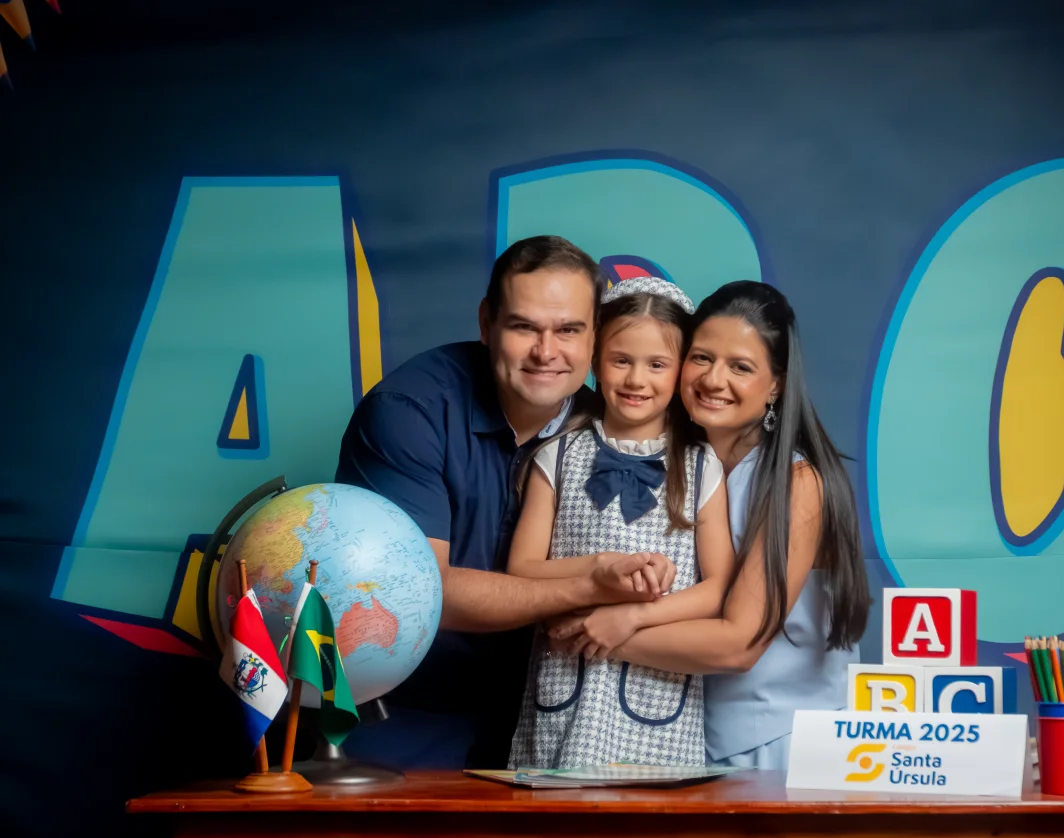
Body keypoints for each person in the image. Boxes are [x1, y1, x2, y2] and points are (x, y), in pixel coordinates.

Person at [333, 235, 678, 769]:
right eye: (524, 327)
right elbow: (419, 593)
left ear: (595, 336)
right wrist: (589, 585)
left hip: (548, 714)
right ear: (486, 323)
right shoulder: (409, 412)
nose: (546, 351)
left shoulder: (613, 432)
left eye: (568, 330)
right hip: (400, 708)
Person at [548, 279, 872, 770]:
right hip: (681, 736)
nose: (714, 380)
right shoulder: (670, 464)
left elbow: (739, 645)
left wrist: (597, 630)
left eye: (741, 367)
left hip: (778, 744)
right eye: (701, 358)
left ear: (777, 384)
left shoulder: (795, 482)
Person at [504, 277, 735, 769]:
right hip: (564, 685)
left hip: (657, 696)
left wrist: (635, 616)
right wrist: (602, 569)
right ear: (595, 361)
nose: (636, 380)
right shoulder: (556, 457)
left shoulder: (701, 467)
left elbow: (718, 589)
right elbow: (521, 571)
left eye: (657, 364)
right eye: (621, 360)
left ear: (680, 371)